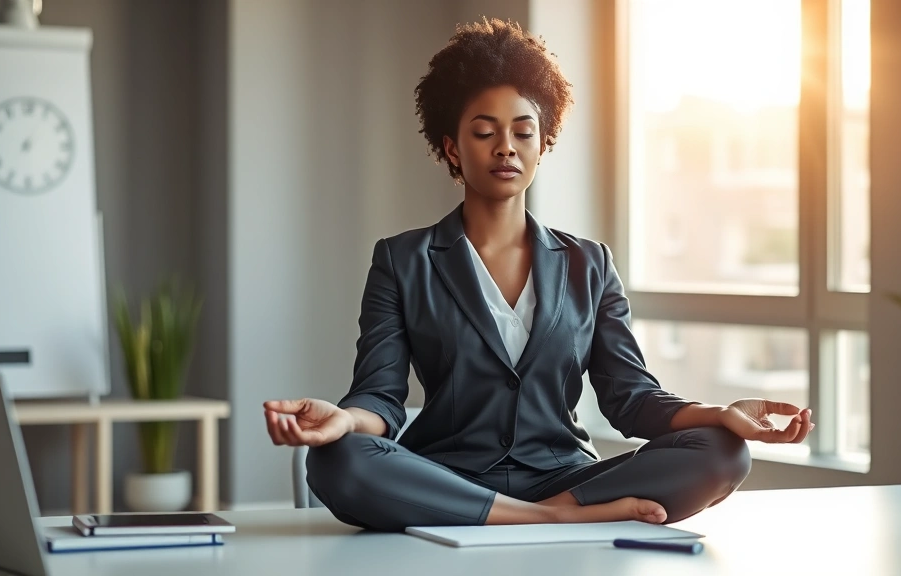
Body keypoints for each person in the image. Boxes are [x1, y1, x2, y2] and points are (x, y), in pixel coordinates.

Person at [263, 17, 814, 533]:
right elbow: (381, 400)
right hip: (447, 476)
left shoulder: (589, 263)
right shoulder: (402, 260)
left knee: (722, 450)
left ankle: (550, 509)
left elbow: (630, 399)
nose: (506, 146)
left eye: (523, 132)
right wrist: (344, 420)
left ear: (542, 144)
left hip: (565, 475)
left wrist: (721, 414)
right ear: (452, 147)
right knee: (337, 460)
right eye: (485, 132)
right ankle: (546, 520)